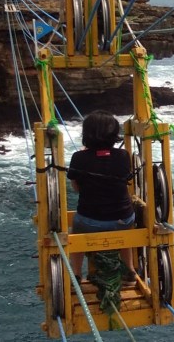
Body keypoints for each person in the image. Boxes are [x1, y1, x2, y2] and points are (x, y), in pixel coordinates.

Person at [67, 110, 137, 286]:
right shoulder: (123, 156)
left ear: (87, 133)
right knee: (125, 231)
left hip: (90, 222)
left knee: (75, 231)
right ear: (114, 134)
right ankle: (129, 270)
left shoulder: (78, 157)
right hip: (122, 220)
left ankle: (76, 274)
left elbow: (76, 188)